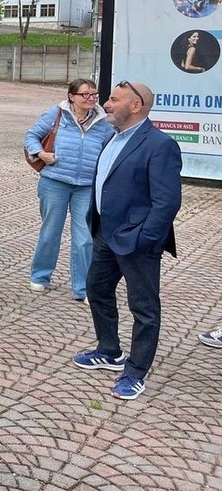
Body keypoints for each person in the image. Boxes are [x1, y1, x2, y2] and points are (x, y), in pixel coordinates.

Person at [72, 81, 182, 401]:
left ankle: (135, 372)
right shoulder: (113, 136)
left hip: (137, 241)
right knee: (96, 289)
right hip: (106, 233)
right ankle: (109, 351)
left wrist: (145, 239)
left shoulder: (160, 145)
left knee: (144, 308)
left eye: (113, 100)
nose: (105, 104)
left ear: (136, 106)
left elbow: (167, 202)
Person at [24, 78, 115, 300]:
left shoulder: (103, 122)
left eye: (94, 94)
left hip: (86, 186)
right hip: (55, 181)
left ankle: (83, 288)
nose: (91, 98)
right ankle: (40, 276)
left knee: (85, 238)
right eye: (85, 94)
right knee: (50, 231)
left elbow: (110, 149)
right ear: (71, 96)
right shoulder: (56, 114)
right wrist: (41, 153)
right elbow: (31, 136)